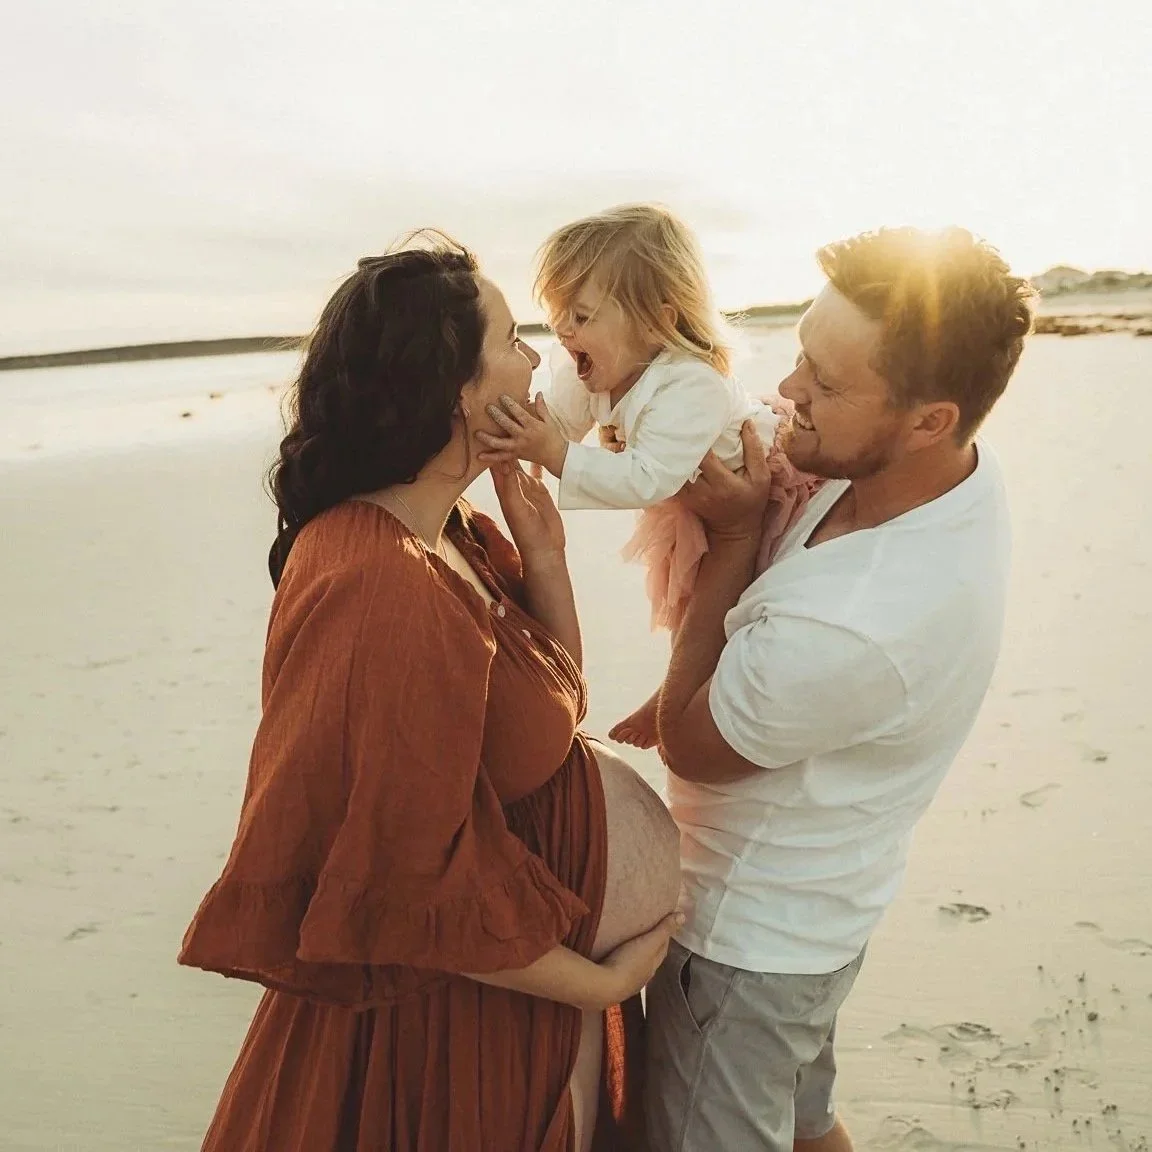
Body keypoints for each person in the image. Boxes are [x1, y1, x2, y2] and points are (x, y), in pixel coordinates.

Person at [178, 233, 683, 1152]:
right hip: (455, 1019)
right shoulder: (377, 580)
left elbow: (554, 712)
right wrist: (597, 985)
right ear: (457, 388)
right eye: (512, 340)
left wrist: (547, 561)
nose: (537, 358)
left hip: (517, 984)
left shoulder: (449, 531)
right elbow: (402, 877)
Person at [643, 227, 1035, 1152]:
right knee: (807, 1129)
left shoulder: (859, 622)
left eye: (825, 384)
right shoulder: (945, 480)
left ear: (930, 418)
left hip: (745, 946)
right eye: (800, 358)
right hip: (825, 910)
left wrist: (733, 541)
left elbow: (690, 744)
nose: (787, 394)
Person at [475, 204, 819, 752]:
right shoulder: (592, 370)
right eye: (560, 314)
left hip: (767, 489)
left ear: (658, 322)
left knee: (738, 603)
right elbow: (558, 426)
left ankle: (682, 691)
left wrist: (559, 454)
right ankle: (674, 684)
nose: (564, 331)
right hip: (688, 495)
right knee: (693, 600)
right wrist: (528, 441)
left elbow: (645, 480)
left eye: (582, 316)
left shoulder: (691, 382)